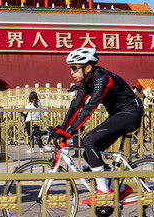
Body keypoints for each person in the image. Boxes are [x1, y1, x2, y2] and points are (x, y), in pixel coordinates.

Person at [53, 48, 143, 205]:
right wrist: (62, 128)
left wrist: (71, 131)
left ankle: (104, 191)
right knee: (89, 151)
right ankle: (119, 188)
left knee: (89, 141)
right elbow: (76, 106)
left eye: (74, 68)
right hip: (117, 115)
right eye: (70, 68)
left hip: (130, 113)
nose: (71, 72)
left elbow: (91, 106)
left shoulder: (102, 77)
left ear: (87, 67)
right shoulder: (86, 81)